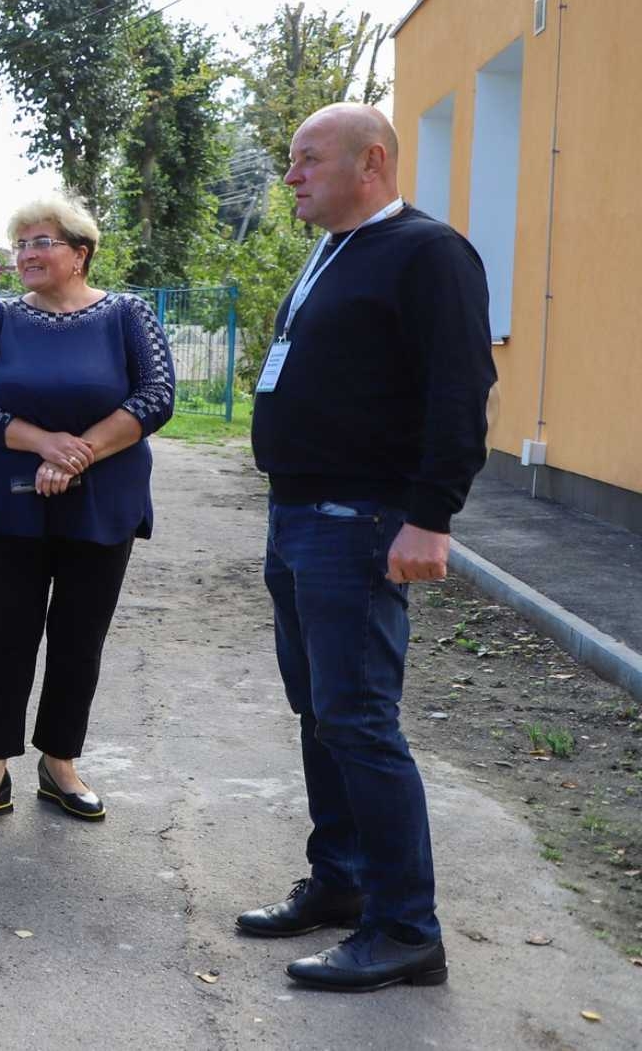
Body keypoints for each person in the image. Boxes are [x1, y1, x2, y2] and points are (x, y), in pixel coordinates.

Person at [237, 103, 492, 992]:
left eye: (308, 160)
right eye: (291, 160)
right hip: (299, 515)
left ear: (371, 162)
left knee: (359, 720)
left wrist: (431, 515)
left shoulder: (430, 254)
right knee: (320, 711)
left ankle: (406, 929)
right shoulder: (334, 248)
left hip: (361, 522)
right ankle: (341, 883)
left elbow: (460, 391)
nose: (292, 175)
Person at [0, 195, 173, 829]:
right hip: (14, 504)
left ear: (80, 253)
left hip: (104, 502)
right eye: (21, 245)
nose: (28, 255)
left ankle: (60, 762)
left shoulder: (128, 314)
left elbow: (157, 396)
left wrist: (77, 456)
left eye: (41, 242)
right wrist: (43, 443)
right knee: (8, 637)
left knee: (79, 639)